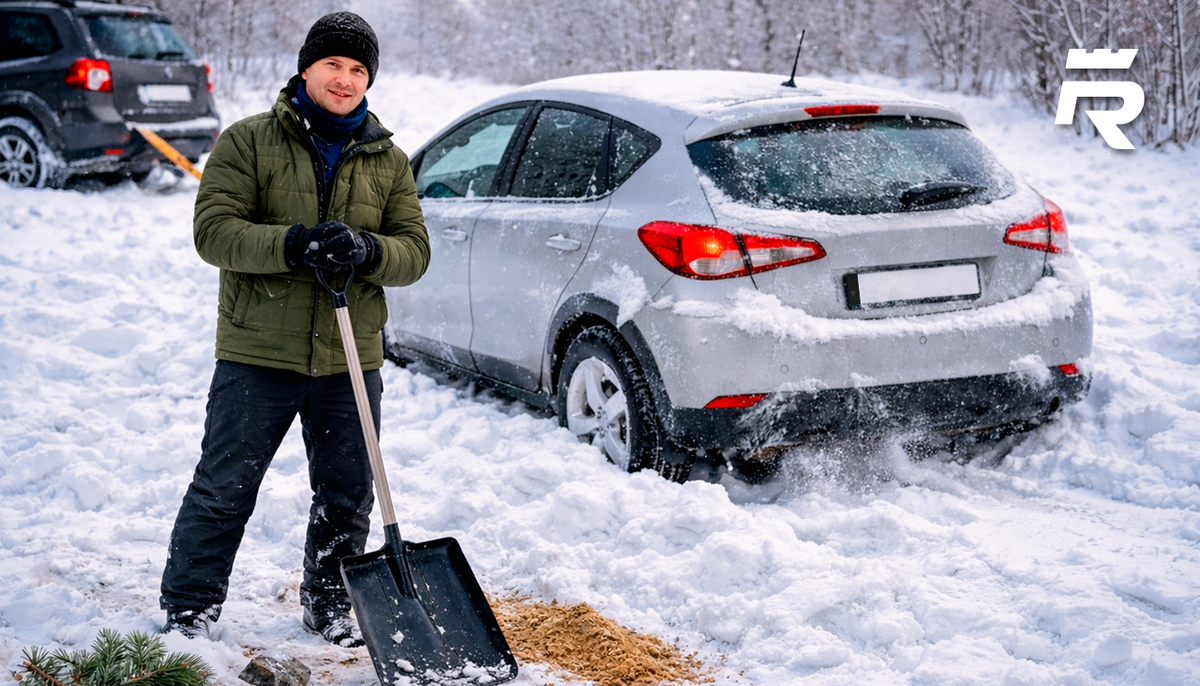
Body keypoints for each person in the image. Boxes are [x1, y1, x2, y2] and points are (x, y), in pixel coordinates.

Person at [159, 12, 430, 647]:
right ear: (306, 67)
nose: (345, 79)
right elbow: (214, 232)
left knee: (346, 496)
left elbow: (414, 251)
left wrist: (367, 250)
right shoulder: (248, 141)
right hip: (259, 350)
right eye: (333, 64)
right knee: (226, 486)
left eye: (358, 69)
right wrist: (296, 244)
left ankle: (332, 602)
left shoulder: (387, 160)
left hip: (348, 356)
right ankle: (189, 610)